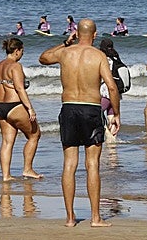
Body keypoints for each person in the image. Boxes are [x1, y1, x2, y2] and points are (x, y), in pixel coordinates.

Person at [39, 19, 121, 227]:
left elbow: (43, 58)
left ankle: (69, 218)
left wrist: (66, 43)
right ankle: (95, 217)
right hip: (91, 109)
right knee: (92, 164)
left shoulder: (66, 52)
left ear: (76, 33)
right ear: (94, 35)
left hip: (68, 108)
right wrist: (117, 114)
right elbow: (111, 87)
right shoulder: (99, 55)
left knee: (69, 163)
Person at [0, 38, 42, 181]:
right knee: (35, 134)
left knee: (7, 141)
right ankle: (27, 169)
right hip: (14, 105)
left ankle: (6, 175)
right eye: (22, 51)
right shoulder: (15, 66)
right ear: (17, 51)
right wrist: (30, 109)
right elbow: (20, 89)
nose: (22, 54)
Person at [99, 38, 123, 142]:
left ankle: (107, 134)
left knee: (97, 113)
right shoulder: (116, 58)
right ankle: (112, 142)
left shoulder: (104, 60)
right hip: (116, 94)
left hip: (105, 92)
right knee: (111, 117)